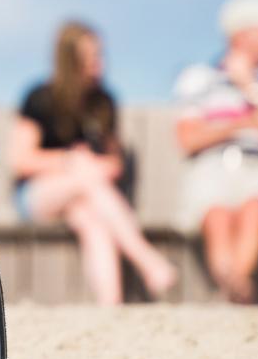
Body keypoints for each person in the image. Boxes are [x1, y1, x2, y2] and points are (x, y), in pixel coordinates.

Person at [13, 21, 177, 305]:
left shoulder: (104, 102)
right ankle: (147, 259)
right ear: (70, 60)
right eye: (91, 57)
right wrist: (70, 160)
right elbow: (22, 160)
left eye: (100, 55)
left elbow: (114, 164)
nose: (99, 63)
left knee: (91, 221)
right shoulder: (40, 98)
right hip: (37, 196)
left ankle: (109, 307)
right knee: (84, 174)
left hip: (88, 198)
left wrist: (90, 165)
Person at [173, 0, 258, 304]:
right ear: (241, 34)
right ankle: (237, 287)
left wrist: (250, 88)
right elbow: (187, 139)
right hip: (211, 167)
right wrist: (247, 123)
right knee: (217, 213)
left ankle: (233, 287)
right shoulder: (199, 78)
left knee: (256, 205)